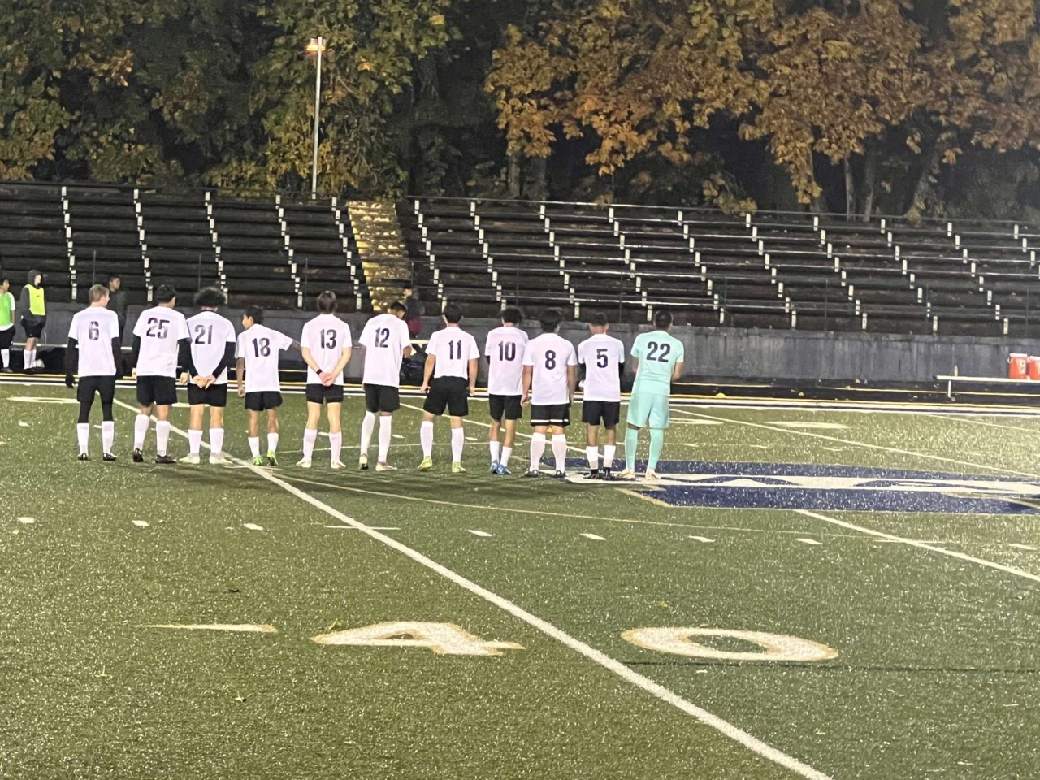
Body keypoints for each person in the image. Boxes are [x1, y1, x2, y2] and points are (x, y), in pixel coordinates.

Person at [620, 310, 685, 481]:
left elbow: (634, 366)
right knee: (657, 428)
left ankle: (630, 469)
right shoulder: (677, 344)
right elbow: (677, 374)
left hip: (642, 386)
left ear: (654, 322)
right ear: (670, 324)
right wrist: (662, 378)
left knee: (633, 426)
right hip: (661, 389)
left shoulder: (642, 338)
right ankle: (651, 469)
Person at [130, 284, 190, 464]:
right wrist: (185, 369)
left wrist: (134, 365)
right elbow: (184, 344)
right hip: (164, 369)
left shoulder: (145, 314)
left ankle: (137, 446)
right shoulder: (177, 317)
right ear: (172, 299)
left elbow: (136, 340)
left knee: (144, 408)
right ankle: (161, 453)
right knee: (163, 411)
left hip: (145, 367)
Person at [418, 303, 479, 473]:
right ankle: (456, 462)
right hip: (459, 381)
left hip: (440, 380)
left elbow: (431, 360)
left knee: (428, 417)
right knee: (456, 420)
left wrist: (425, 382)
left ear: (444, 318)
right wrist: (472, 385)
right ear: (461, 318)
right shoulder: (468, 337)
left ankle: (427, 457)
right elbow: (473, 363)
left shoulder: (437, 335)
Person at [179, 287, 237, 466]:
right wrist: (215, 375)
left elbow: (184, 351)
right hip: (217, 378)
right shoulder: (226, 323)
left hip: (196, 376)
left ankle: (194, 454)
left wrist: (194, 374)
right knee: (217, 415)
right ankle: (215, 455)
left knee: (196, 413)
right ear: (217, 305)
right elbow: (229, 353)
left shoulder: (189, 322)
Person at [65, 284, 121, 461]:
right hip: (106, 369)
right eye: (107, 296)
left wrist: (69, 371)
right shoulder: (111, 316)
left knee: (84, 409)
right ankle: (107, 451)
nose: (109, 299)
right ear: (102, 297)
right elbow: (115, 343)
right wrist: (119, 367)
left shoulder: (79, 316)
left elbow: (71, 345)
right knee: (107, 408)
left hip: (86, 369)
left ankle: (83, 450)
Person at [298, 291, 353, 469]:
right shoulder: (343, 326)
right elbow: (347, 354)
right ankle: (335, 460)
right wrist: (333, 374)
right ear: (335, 305)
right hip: (335, 379)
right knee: (334, 417)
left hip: (315, 377)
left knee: (313, 416)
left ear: (318, 305)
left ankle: (307, 458)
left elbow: (305, 352)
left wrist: (320, 372)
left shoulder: (309, 325)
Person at [357, 301, 413, 471]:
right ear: (401, 313)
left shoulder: (372, 321)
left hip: (371, 374)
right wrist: (409, 351)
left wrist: (364, 373)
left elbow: (364, 348)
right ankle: (381, 461)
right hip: (388, 376)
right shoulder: (400, 324)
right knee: (386, 416)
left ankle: (363, 453)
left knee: (370, 412)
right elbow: (407, 350)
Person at [521, 308, 577, 478]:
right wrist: (571, 393)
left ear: (541, 324)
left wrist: (524, 392)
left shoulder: (532, 344)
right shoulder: (566, 344)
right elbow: (571, 373)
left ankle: (534, 467)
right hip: (559, 394)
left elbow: (527, 371)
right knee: (558, 430)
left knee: (539, 430)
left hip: (540, 393)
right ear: (558, 325)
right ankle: (560, 468)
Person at [236, 306, 294, 467]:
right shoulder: (272, 334)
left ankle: (256, 456)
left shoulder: (244, 336)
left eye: (243, 318)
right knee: (272, 417)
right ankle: (271, 451)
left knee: (253, 419)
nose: (242, 322)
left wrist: (240, 384)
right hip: (271, 383)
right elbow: (293, 343)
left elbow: (240, 361)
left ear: (250, 319)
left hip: (253, 385)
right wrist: (308, 351)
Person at [576, 313, 626, 480]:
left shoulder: (584, 345)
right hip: (611, 391)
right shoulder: (617, 344)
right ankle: (607, 469)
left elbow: (582, 368)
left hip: (592, 392)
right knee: (611, 428)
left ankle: (593, 470)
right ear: (607, 326)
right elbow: (621, 367)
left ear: (591, 326)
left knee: (592, 428)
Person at [484, 307, 527, 475]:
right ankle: (503, 463)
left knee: (495, 422)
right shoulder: (522, 335)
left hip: (496, 384)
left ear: (503, 319)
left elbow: (488, 357)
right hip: (514, 386)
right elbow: (526, 361)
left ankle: (494, 461)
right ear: (518, 321)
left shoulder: (492, 334)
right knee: (510, 425)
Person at [19, 269, 45, 373]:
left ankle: (31, 364)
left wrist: (43, 319)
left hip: (39, 320)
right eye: (38, 277)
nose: (40, 279)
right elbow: (24, 306)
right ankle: (26, 366)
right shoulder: (27, 289)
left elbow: (42, 306)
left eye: (40, 277)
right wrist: (32, 319)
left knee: (35, 342)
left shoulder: (41, 290)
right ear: (32, 278)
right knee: (30, 340)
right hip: (30, 319)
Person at [0, 277, 15, 372]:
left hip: (7, 327)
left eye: (8, 283)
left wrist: (13, 325)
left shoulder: (10, 296)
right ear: (1, 285)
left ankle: (6, 366)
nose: (8, 285)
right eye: (6, 283)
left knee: (5, 347)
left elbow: (12, 311)